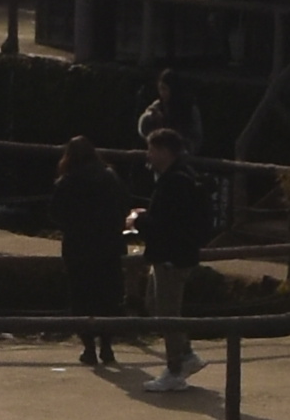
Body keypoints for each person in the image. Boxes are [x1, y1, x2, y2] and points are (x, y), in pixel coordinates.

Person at [132, 128, 218, 381]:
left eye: (151, 149)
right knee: (155, 305)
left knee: (168, 313)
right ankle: (186, 354)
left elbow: (165, 225)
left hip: (172, 256)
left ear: (164, 151)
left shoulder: (175, 182)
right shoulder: (178, 177)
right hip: (171, 253)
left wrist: (138, 221)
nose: (148, 155)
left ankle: (175, 368)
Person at [48, 133, 130, 366]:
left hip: (79, 247)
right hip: (108, 246)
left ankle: (89, 347)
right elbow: (123, 205)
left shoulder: (67, 182)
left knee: (82, 296)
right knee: (108, 296)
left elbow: (55, 214)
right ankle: (107, 344)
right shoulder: (110, 178)